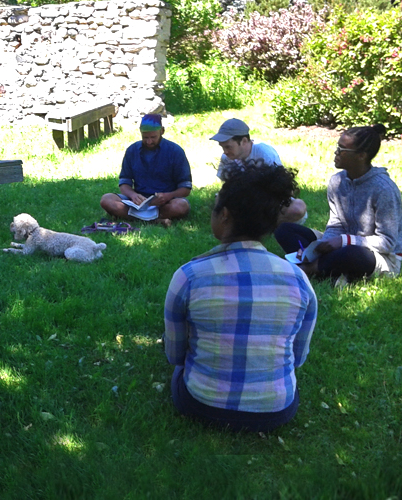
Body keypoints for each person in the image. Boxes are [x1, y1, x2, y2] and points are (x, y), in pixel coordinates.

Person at [164, 163, 317, 432]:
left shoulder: (189, 276)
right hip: (277, 410)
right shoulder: (299, 280)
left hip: (200, 404)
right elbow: (298, 357)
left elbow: (175, 355)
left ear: (224, 216)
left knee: (181, 369)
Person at [274, 124, 402, 283]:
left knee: (352, 254)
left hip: (383, 256)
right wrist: (320, 247)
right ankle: (326, 267)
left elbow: (388, 243)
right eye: (337, 146)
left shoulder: (384, 189)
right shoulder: (337, 181)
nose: (336, 153)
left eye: (342, 150)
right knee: (284, 229)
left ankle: (307, 269)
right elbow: (336, 224)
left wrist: (344, 241)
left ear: (361, 155)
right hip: (344, 243)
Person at [100, 113, 192, 226]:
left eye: (153, 137)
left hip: (165, 202)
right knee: (106, 199)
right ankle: (155, 220)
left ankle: (136, 218)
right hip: (139, 202)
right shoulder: (132, 150)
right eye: (145, 137)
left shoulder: (175, 151)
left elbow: (186, 188)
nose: (149, 142)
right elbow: (124, 182)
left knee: (181, 206)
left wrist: (168, 196)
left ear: (162, 131)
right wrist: (133, 195)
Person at [210, 118, 307, 225]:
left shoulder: (265, 153)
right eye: (222, 147)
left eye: (228, 147)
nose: (225, 152)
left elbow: (284, 190)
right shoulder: (226, 158)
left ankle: (264, 225)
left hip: (270, 202)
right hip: (245, 202)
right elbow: (227, 188)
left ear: (244, 141)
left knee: (297, 209)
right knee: (219, 199)